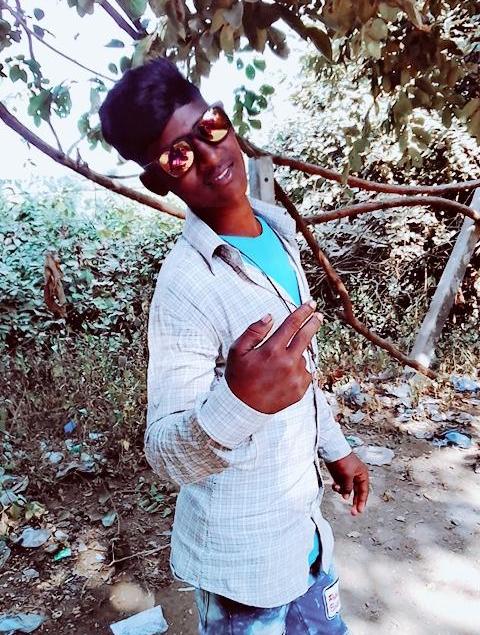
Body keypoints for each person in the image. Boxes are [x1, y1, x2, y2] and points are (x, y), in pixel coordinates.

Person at [99, 57, 369, 634]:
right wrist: (240, 401)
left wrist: (336, 448)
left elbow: (299, 373)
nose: (209, 156)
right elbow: (162, 451)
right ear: (160, 181)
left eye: (210, 127)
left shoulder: (279, 232)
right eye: (178, 156)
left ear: (225, 121)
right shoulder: (186, 285)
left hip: (305, 533)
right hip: (241, 567)